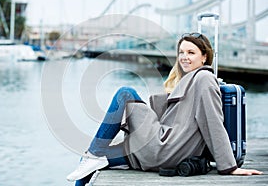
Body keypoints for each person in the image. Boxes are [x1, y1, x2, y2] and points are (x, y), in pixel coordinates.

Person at [66, 33, 263, 186]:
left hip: (166, 147)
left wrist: (229, 167)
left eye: (191, 53)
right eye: (181, 52)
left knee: (125, 94)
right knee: (88, 163)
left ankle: (95, 151)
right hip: (166, 154)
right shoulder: (190, 80)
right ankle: (93, 156)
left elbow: (213, 121)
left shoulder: (204, 79)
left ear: (204, 57)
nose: (184, 57)